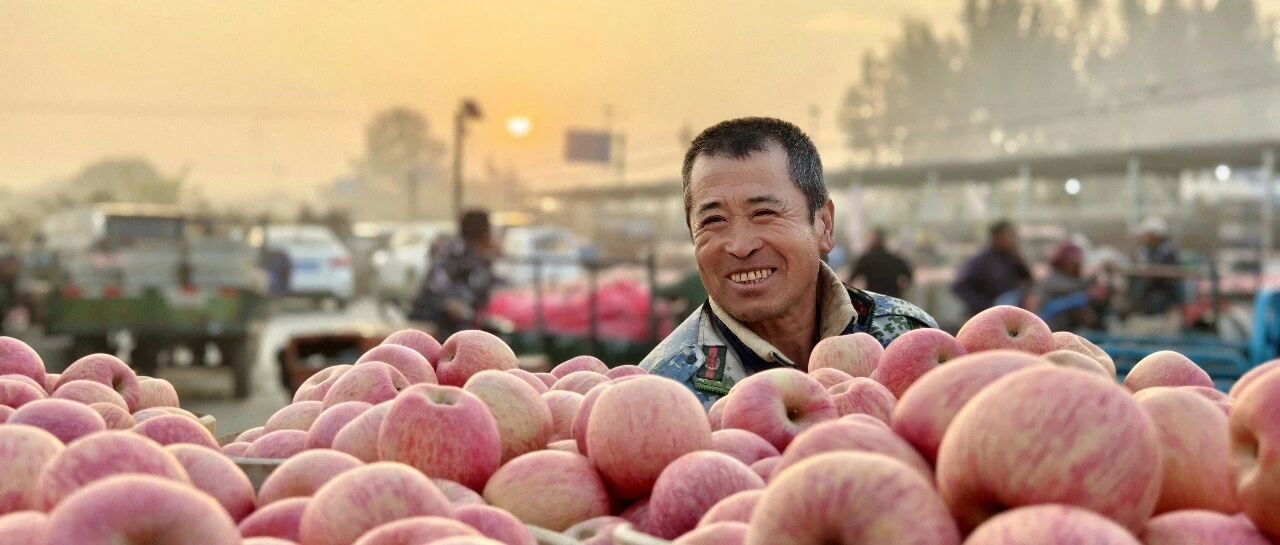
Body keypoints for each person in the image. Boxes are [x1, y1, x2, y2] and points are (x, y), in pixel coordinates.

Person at [638, 117, 937, 404]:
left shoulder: (906, 339)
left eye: (764, 213)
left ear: (824, 225)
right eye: (713, 220)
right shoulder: (667, 393)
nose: (741, 246)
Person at [408, 209, 501, 338]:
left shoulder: (479, 254)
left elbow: (484, 286)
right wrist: (453, 304)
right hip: (436, 314)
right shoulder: (456, 250)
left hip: (462, 317)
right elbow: (438, 284)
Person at [951, 220, 1033, 316]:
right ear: (997, 237)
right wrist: (985, 306)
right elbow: (959, 286)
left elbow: (1029, 281)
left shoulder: (1012, 258)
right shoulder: (981, 260)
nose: (1013, 239)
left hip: (1010, 313)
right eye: (1009, 235)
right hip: (987, 315)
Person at [1034, 241, 1101, 331]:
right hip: (1050, 328)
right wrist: (1092, 281)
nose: (1077, 265)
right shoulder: (1052, 279)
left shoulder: (1076, 283)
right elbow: (1070, 287)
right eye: (1074, 261)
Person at [847, 227, 913, 298]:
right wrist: (902, 289)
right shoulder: (895, 259)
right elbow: (908, 274)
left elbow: (852, 278)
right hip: (893, 299)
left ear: (873, 241)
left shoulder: (866, 259)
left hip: (874, 300)